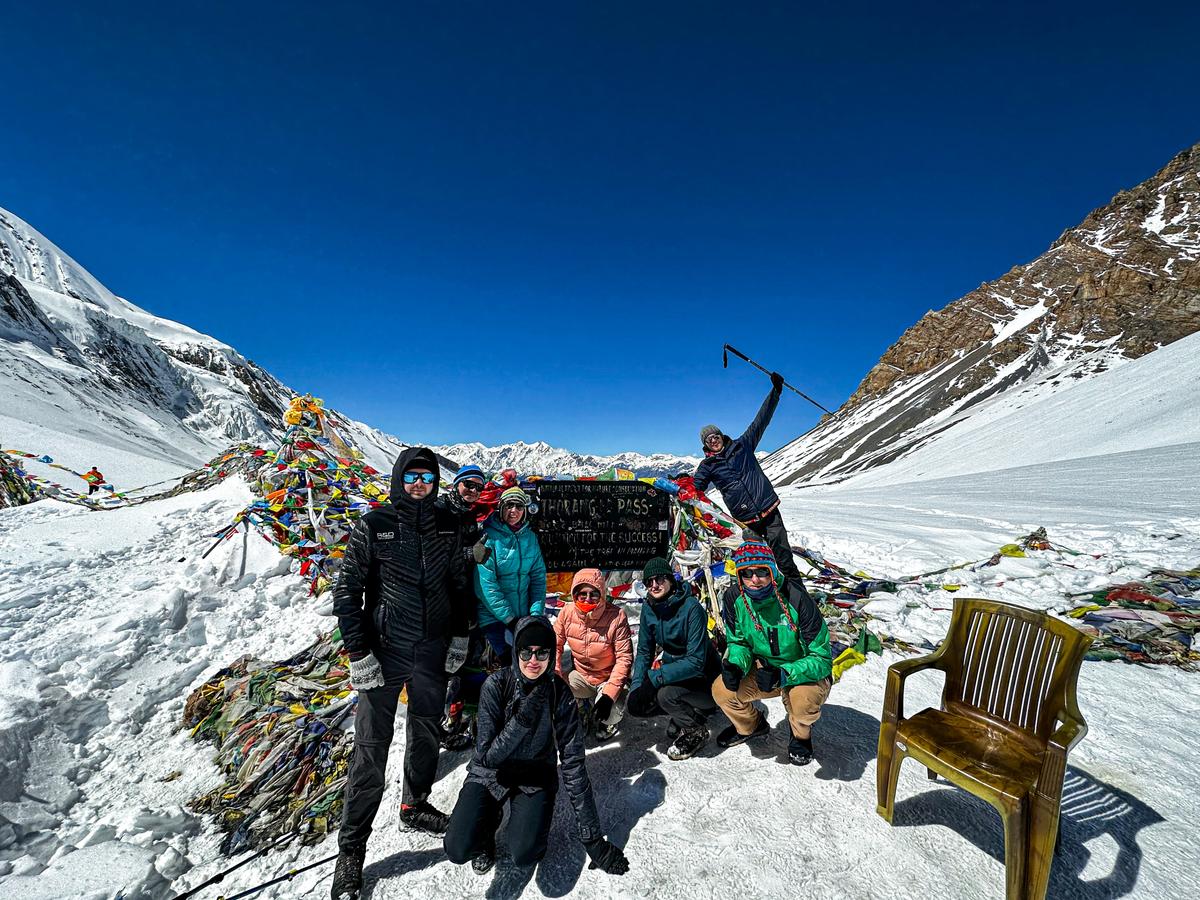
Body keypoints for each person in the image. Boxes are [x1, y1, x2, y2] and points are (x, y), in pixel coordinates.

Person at [329, 447, 473, 900]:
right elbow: (348, 592)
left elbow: (458, 585)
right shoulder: (374, 526)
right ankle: (352, 850)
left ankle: (415, 803)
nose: (419, 485)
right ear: (398, 479)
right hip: (385, 653)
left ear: (435, 483)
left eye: (427, 479)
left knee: (427, 731)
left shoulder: (446, 528)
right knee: (371, 749)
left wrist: (460, 637)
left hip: (431, 652)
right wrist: (358, 652)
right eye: (411, 477)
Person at [443, 616, 630, 877]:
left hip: (535, 775)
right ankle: (486, 826)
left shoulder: (559, 693)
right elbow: (487, 758)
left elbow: (574, 765)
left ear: (551, 655)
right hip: (491, 774)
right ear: (516, 651)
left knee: (525, 854)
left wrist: (593, 840)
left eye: (542, 653)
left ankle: (529, 817)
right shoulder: (496, 686)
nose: (533, 660)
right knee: (457, 848)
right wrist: (521, 720)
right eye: (526, 652)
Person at [712, 540, 832, 766]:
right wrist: (736, 664)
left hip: (802, 671)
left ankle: (800, 736)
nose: (754, 579)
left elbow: (823, 659)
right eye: (747, 573)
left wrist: (784, 674)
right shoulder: (734, 598)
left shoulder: (796, 598)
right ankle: (750, 726)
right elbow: (738, 642)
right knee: (722, 690)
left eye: (761, 572)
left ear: (772, 570)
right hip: (764, 669)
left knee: (802, 704)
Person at [693, 373, 802, 581]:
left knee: (785, 560)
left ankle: (799, 600)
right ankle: (768, 600)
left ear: (721, 435)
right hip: (746, 523)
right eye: (709, 440)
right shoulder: (707, 466)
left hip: (769, 512)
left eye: (715, 436)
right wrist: (681, 481)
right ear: (705, 445)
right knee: (758, 566)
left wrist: (776, 392)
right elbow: (695, 487)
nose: (713, 441)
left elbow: (762, 420)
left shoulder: (744, 445)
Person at [626, 557, 720, 761]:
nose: (654, 585)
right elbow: (644, 651)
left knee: (664, 695)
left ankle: (696, 728)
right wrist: (637, 687)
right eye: (648, 582)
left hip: (705, 679)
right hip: (676, 672)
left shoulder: (691, 608)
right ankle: (684, 712)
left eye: (659, 579)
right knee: (640, 701)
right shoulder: (649, 609)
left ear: (670, 579)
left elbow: (696, 661)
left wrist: (655, 679)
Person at [436, 464, 489, 750]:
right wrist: (470, 553)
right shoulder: (439, 511)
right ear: (456, 484)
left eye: (478, 488)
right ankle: (437, 727)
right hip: (441, 605)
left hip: (464, 602)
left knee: (464, 661)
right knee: (444, 669)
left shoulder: (467, 515)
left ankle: (455, 714)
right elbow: (435, 556)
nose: (473, 491)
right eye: (468, 485)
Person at [553, 568, 634, 740]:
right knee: (556, 690)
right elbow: (555, 645)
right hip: (581, 675)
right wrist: (556, 671)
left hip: (608, 677)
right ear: (575, 594)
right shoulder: (567, 613)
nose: (588, 599)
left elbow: (624, 658)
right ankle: (580, 708)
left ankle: (609, 722)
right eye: (582, 594)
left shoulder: (617, 617)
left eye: (594, 594)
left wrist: (609, 694)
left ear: (602, 594)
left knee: (611, 711)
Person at [474, 485, 547, 664]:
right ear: (501, 508)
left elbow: (538, 578)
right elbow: (485, 585)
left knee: (534, 662)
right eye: (509, 505)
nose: (513, 511)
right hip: (494, 618)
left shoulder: (530, 538)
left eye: (519, 506)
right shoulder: (488, 537)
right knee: (510, 663)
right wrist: (510, 619)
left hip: (523, 617)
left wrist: (535, 614)